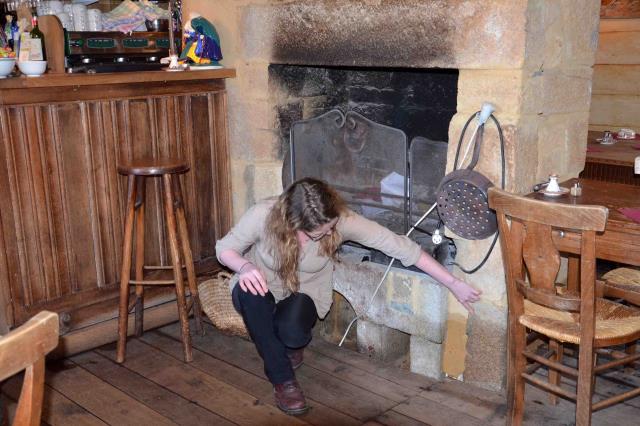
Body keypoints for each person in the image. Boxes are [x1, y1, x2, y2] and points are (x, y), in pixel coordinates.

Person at [216, 177, 481, 415]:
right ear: (294, 223)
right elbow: (225, 249)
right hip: (260, 284)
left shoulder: (341, 221)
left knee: (291, 333)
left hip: (305, 289)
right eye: (321, 231)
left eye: (331, 227)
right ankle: (283, 380)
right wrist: (246, 267)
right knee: (252, 300)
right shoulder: (263, 215)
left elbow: (399, 246)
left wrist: (453, 283)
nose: (331, 233)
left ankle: (287, 344)